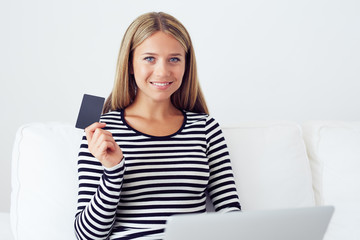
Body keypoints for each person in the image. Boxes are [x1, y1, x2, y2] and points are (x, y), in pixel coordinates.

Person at [74, 12, 241, 240]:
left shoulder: (205, 128)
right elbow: (88, 236)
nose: (162, 71)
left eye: (174, 59)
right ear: (130, 64)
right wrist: (113, 171)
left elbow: (231, 213)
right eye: (149, 58)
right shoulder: (101, 131)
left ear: (186, 66)